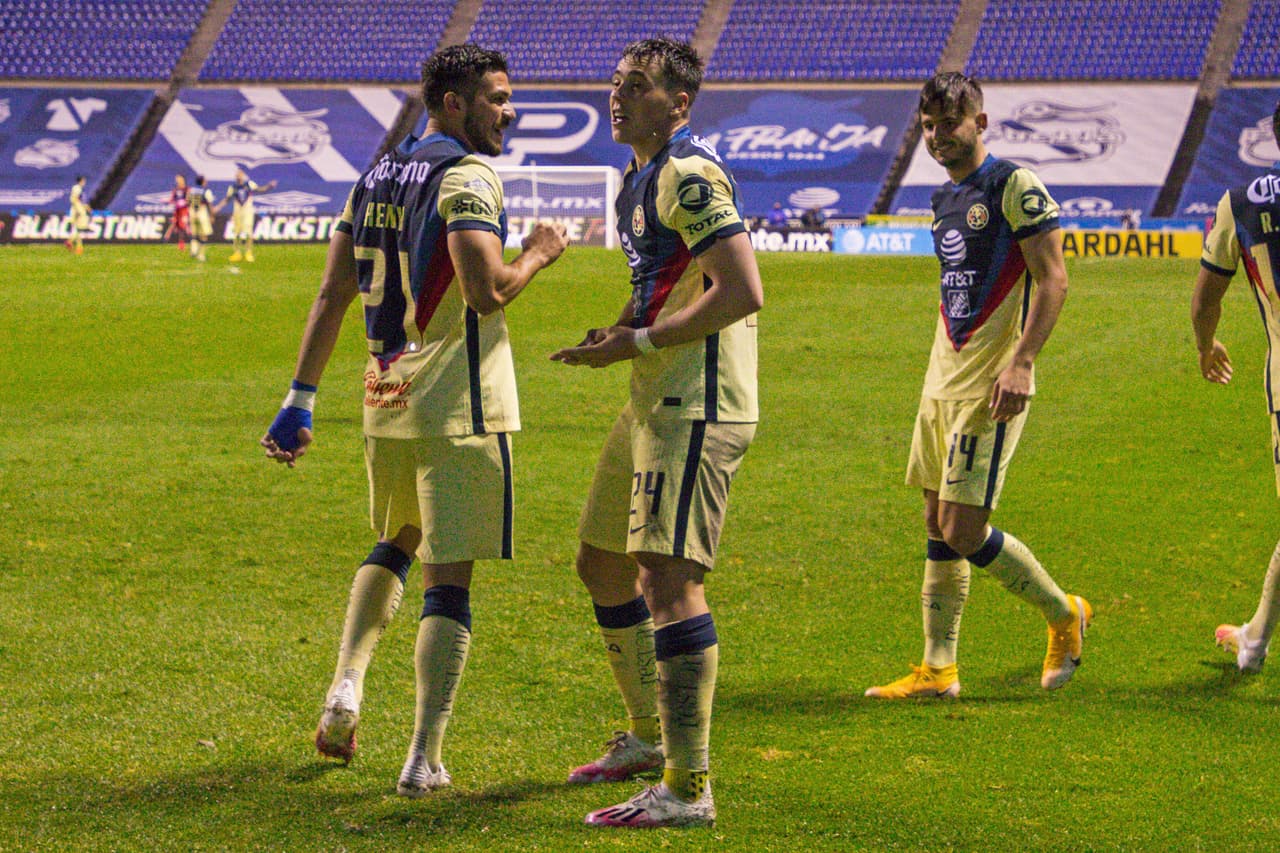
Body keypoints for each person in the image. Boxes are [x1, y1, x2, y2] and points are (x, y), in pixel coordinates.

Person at [260, 43, 568, 796]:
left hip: (382, 392)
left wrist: (299, 398)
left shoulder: (373, 175)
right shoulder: (466, 177)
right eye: (496, 97)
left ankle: (345, 686)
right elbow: (485, 287)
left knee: (393, 539)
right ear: (454, 103)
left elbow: (332, 294)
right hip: (454, 397)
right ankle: (423, 756)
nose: (510, 109)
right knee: (448, 578)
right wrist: (538, 253)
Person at [551, 36, 762, 829]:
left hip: (697, 400)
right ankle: (645, 736)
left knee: (669, 582)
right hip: (652, 394)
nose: (618, 95)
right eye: (615, 82)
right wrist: (619, 335)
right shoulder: (638, 178)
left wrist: (637, 342)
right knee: (602, 561)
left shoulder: (688, 174)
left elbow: (742, 289)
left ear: (679, 103)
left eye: (636, 86)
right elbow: (661, 287)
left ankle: (688, 783)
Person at [865, 72, 1091, 700]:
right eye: (929, 126)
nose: (937, 137)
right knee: (937, 523)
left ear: (980, 122)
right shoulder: (944, 201)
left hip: (992, 385)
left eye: (950, 123)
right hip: (943, 381)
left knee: (964, 528)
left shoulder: (1013, 184)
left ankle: (1063, 614)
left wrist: (1021, 363)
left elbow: (1054, 281)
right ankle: (939, 669)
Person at [1196, 99, 1280, 673]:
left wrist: (1206, 344)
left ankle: (1253, 639)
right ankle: (1253, 638)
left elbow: (1206, 298)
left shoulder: (1243, 202)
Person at [213, 168, 277, 262]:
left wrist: (269, 186)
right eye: (237, 174)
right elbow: (227, 199)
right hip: (237, 211)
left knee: (248, 232)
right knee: (237, 233)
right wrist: (218, 207)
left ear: (243, 175)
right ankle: (237, 252)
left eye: (240, 174)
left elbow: (260, 189)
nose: (238, 175)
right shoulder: (233, 188)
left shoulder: (249, 184)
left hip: (247, 211)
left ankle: (248, 252)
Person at [187, 175, 215, 262]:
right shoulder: (206, 191)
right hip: (201, 212)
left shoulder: (191, 190)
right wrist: (212, 215)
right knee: (203, 235)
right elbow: (210, 204)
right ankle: (201, 254)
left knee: (194, 233)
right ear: (203, 181)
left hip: (192, 212)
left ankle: (194, 248)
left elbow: (187, 201)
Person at [165, 174, 190, 253]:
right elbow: (172, 199)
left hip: (185, 209)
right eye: (177, 179)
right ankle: (177, 240)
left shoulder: (187, 189)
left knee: (183, 224)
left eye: (179, 179)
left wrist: (184, 202)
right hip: (177, 209)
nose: (178, 181)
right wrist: (168, 201)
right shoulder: (175, 189)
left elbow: (188, 199)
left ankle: (168, 236)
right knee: (176, 224)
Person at [65, 175, 89, 255]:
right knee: (80, 228)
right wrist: (80, 209)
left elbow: (77, 199)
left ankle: (78, 247)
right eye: (84, 181)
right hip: (78, 210)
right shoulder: (77, 188)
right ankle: (71, 241)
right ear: (81, 181)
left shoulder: (77, 188)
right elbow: (75, 198)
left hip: (76, 209)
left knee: (77, 229)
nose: (84, 182)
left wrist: (85, 206)